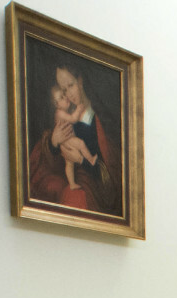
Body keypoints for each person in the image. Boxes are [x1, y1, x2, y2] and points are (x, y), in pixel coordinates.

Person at [29, 63, 121, 215]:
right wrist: (54, 142)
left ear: (80, 81)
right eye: (63, 91)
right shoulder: (67, 117)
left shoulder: (99, 118)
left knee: (75, 198)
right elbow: (54, 161)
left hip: (94, 186)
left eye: (70, 85)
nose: (68, 95)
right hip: (72, 178)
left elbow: (112, 175)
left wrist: (81, 160)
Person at [49, 83, 97, 192]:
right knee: (81, 144)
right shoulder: (60, 113)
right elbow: (73, 119)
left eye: (64, 95)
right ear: (56, 104)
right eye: (61, 97)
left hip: (66, 140)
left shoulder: (62, 111)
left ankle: (72, 184)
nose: (66, 97)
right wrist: (79, 110)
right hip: (67, 139)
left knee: (69, 163)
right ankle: (90, 159)